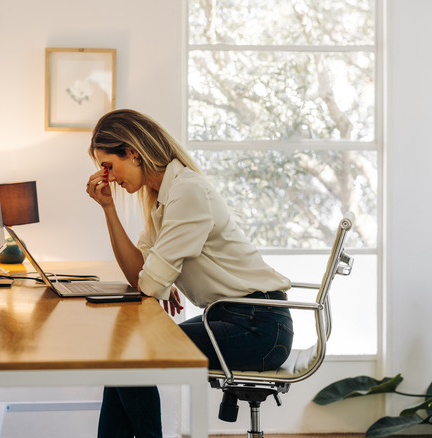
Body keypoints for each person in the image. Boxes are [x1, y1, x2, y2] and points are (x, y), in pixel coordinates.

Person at [85, 109, 294, 438]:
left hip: (259, 326)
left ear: (133, 152)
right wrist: (108, 209)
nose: (107, 176)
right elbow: (140, 273)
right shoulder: (162, 198)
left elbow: (150, 283)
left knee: (129, 356)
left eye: (108, 165)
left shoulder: (187, 191)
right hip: (234, 318)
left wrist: (159, 279)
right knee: (123, 358)